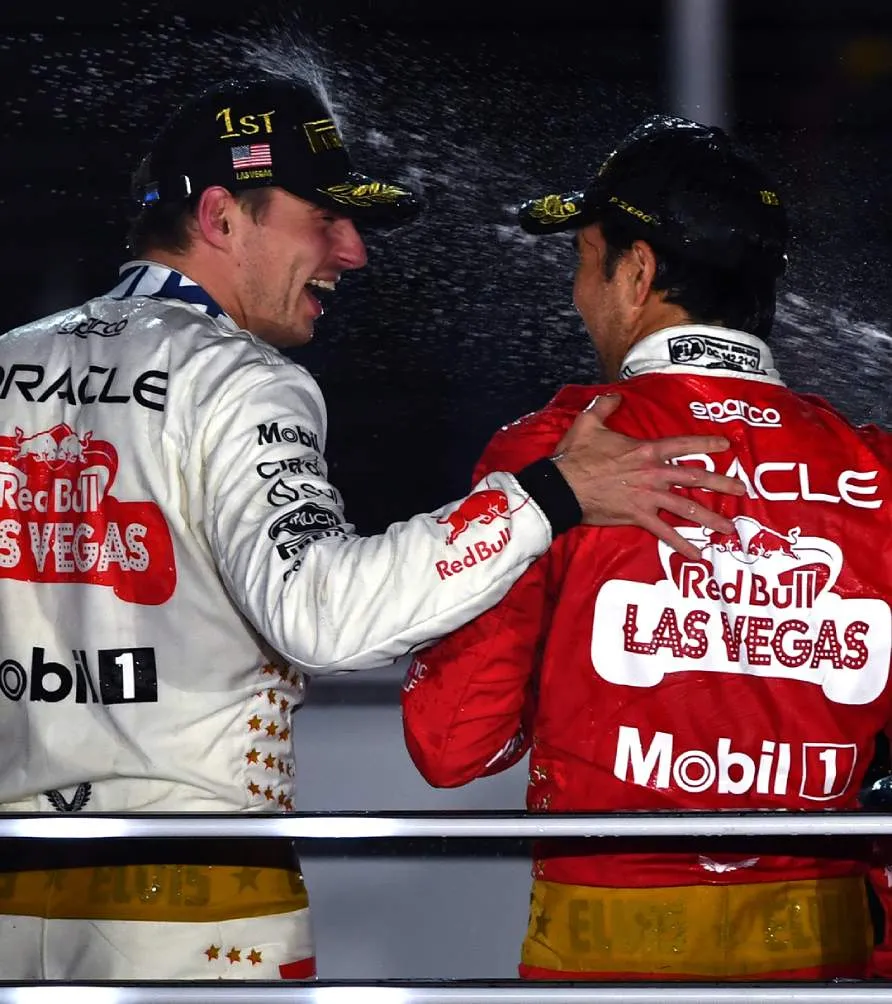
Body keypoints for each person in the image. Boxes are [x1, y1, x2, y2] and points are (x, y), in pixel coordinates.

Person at [0, 77, 744, 982]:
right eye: (325, 218)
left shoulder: (12, 361)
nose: (352, 251)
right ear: (222, 216)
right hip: (190, 912)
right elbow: (318, 614)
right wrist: (547, 495)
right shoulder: (237, 379)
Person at [402, 114, 892, 982]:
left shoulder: (557, 455)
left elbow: (453, 744)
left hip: (604, 971)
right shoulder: (877, 470)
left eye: (584, 261)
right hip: (832, 972)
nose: (578, 293)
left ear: (638, 272)